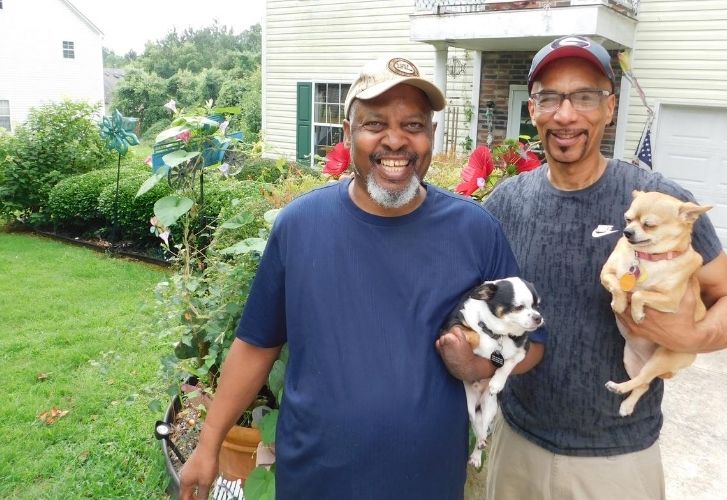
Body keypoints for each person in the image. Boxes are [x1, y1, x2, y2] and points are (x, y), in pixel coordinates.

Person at [178, 56, 524, 500]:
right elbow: (256, 343)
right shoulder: (300, 225)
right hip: (315, 481)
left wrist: (483, 363)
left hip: (428, 484)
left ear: (432, 137)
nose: (395, 140)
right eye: (375, 123)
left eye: (414, 125)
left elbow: (530, 344)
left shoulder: (474, 230)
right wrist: (209, 445)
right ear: (347, 134)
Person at [437, 35, 727, 499]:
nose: (566, 115)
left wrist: (692, 337)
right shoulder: (506, 203)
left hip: (617, 459)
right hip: (518, 443)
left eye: (585, 97)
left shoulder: (656, 201)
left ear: (610, 108)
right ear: (532, 110)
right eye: (550, 97)